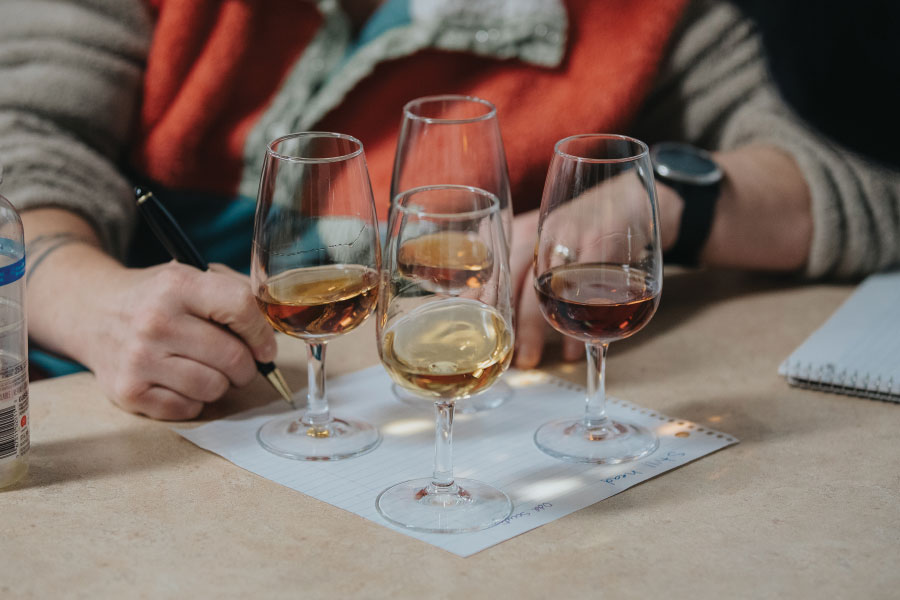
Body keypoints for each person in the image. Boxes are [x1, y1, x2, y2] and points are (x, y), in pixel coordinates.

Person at [0, 0, 897, 420]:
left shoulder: (650, 17)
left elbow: (862, 171)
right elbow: (22, 136)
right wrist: (86, 300)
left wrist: (644, 203)